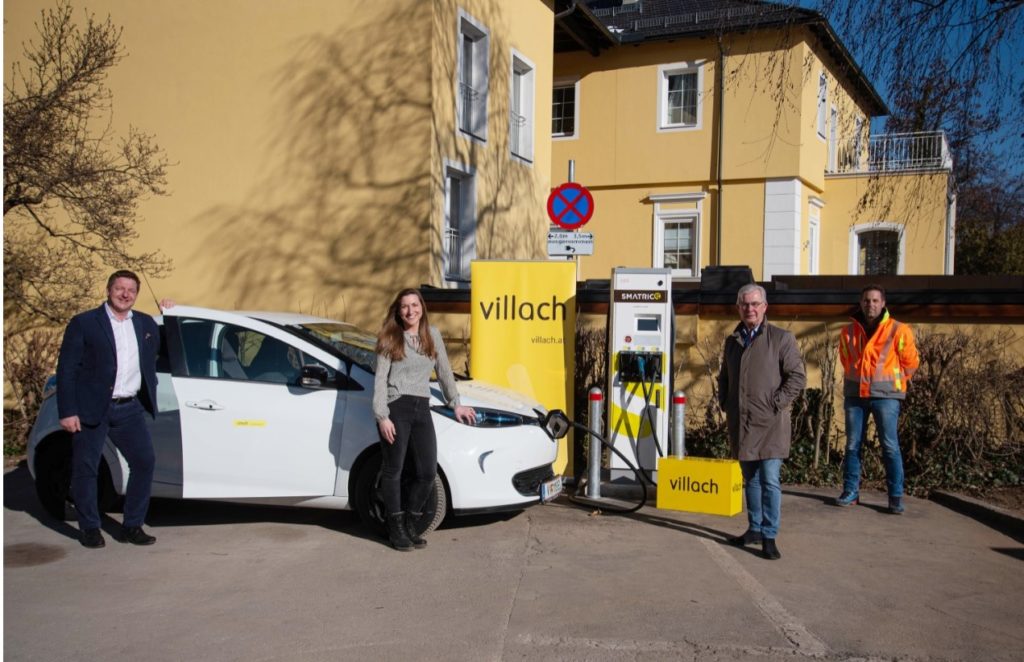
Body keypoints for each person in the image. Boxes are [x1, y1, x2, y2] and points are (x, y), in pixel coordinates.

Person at [56, 270, 171, 549]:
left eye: (131, 290)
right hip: (91, 408)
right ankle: (90, 528)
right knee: (86, 468)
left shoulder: (145, 323)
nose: (125, 294)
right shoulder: (85, 323)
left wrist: (168, 315)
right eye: (119, 288)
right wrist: (67, 411)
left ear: (136, 294)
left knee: (144, 462)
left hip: (128, 408)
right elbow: (67, 369)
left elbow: (166, 351)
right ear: (109, 290)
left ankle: (132, 525)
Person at [373, 288, 476, 551]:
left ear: (422, 307)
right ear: (398, 310)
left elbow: (444, 371)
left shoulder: (432, 335)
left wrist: (456, 404)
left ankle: (409, 522)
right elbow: (380, 382)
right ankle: (395, 528)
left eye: (415, 305)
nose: (410, 311)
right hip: (396, 407)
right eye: (405, 306)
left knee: (427, 472)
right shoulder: (389, 337)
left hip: (421, 408)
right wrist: (382, 416)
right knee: (393, 470)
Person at [718, 283, 806, 560]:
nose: (750, 309)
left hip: (770, 425)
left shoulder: (781, 338)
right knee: (751, 480)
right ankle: (754, 528)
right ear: (738, 307)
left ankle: (770, 534)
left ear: (765, 307)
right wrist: (725, 402)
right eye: (745, 304)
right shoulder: (733, 340)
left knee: (769, 480)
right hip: (742, 423)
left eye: (755, 304)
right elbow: (724, 376)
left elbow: (797, 377)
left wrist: (776, 403)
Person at [835, 285, 919, 514]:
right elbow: (846, 359)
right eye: (866, 300)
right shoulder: (848, 331)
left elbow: (911, 362)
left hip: (887, 397)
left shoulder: (899, 330)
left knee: (890, 446)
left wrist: (895, 382)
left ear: (883, 303)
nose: (870, 304)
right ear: (861, 303)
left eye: (874, 300)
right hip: (856, 395)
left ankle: (895, 497)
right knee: (852, 445)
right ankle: (851, 492)